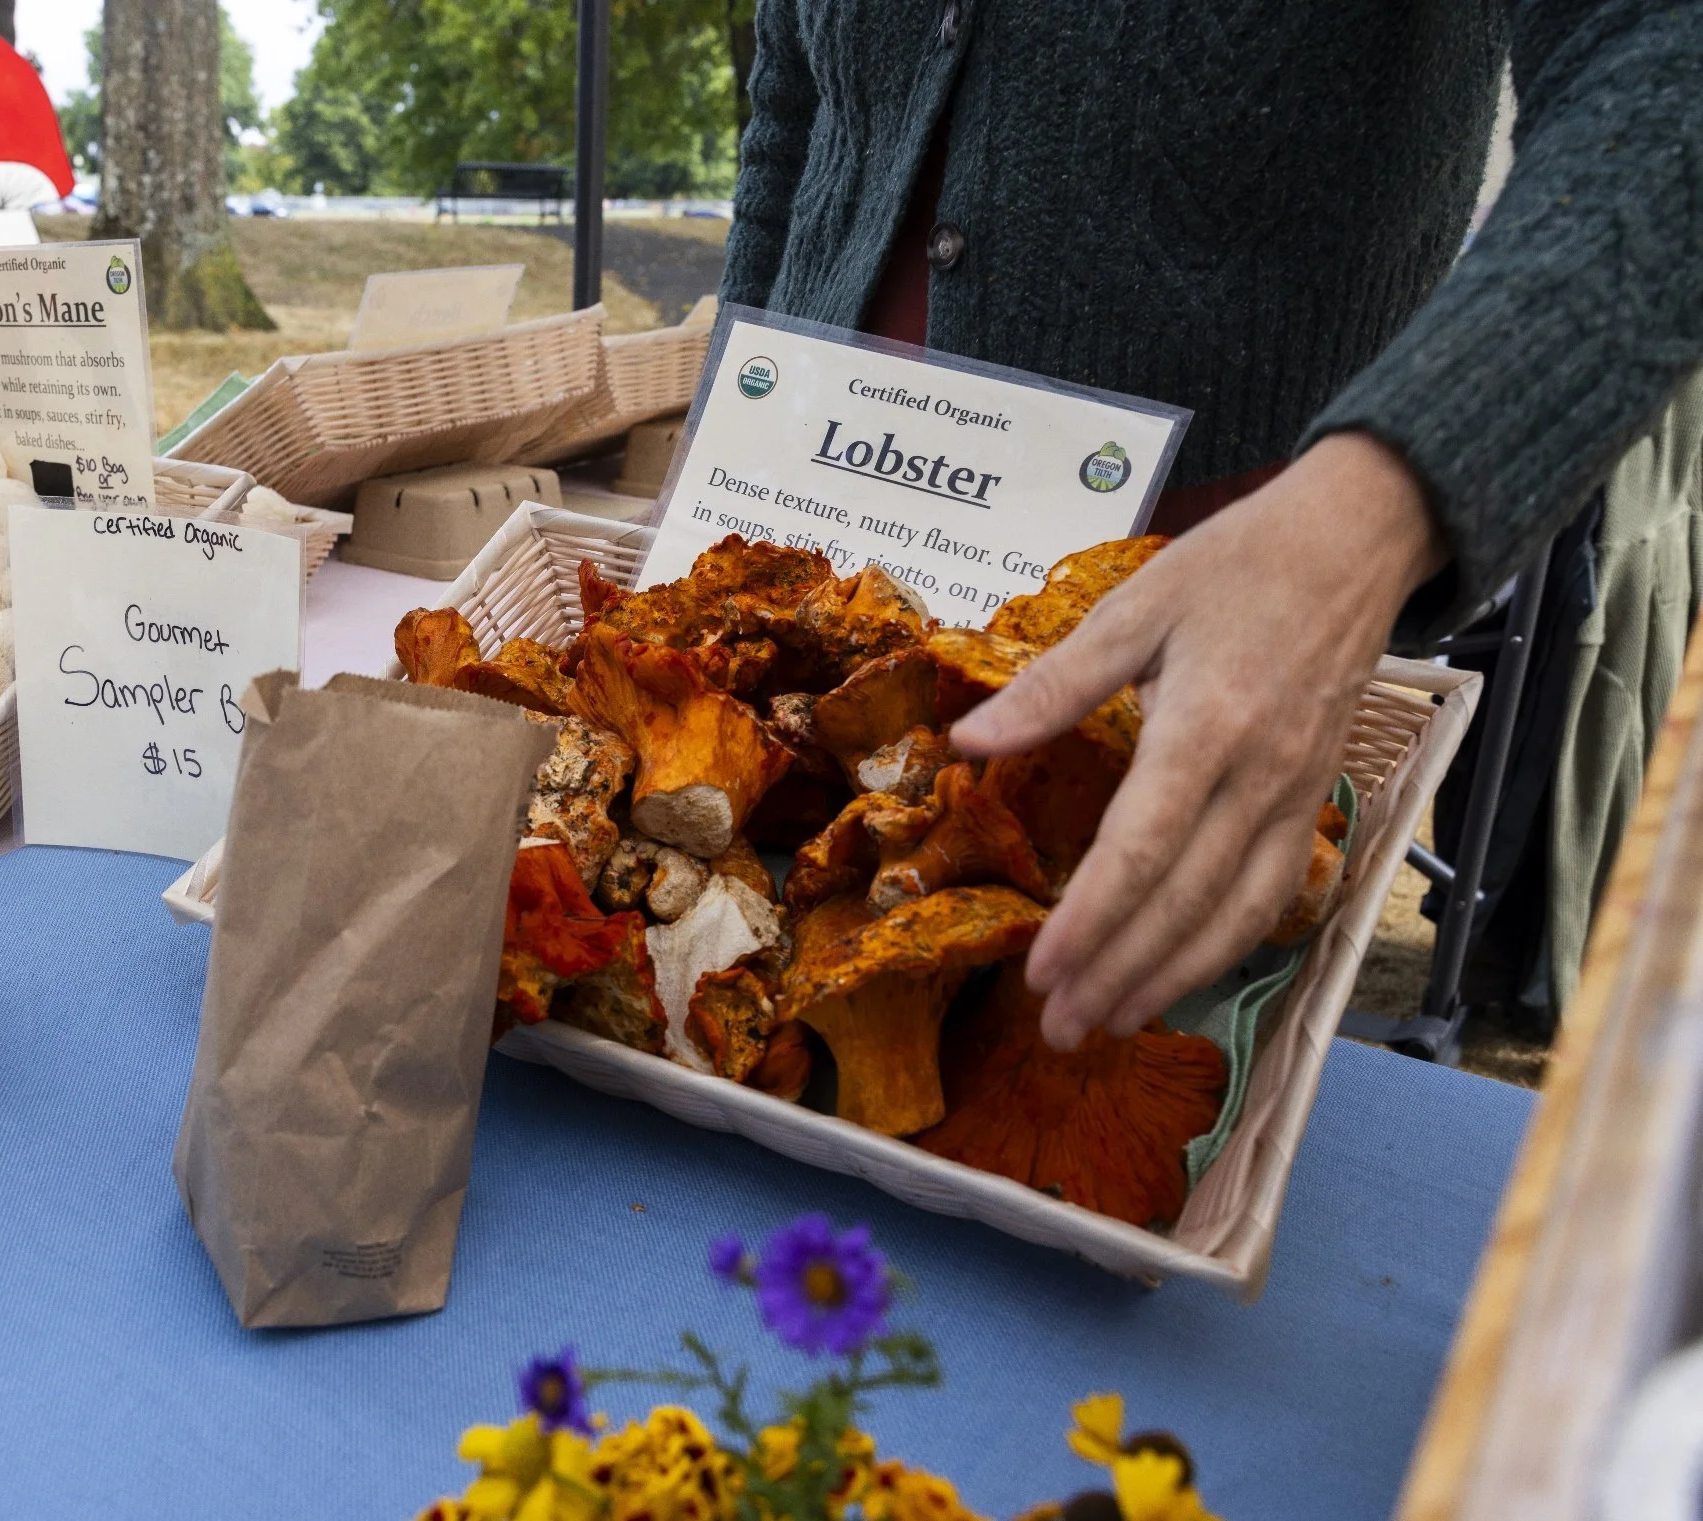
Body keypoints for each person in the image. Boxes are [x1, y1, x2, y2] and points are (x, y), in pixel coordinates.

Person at [723, 2, 1703, 1050]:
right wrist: (728, 428)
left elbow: (1668, 68)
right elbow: (792, 95)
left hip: (1199, 584)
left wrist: (1375, 509)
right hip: (806, 527)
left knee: (1051, 1070)